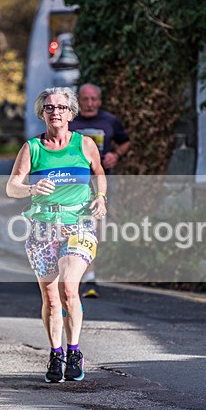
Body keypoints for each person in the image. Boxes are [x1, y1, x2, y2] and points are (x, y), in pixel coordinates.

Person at [6, 86, 107, 383]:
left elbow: (99, 171)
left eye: (61, 107)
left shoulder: (84, 144)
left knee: (69, 287)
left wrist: (101, 197)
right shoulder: (32, 148)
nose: (55, 112)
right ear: (42, 113)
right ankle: (55, 353)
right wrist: (32, 189)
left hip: (79, 223)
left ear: (71, 113)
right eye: (49, 107)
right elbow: (11, 187)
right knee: (50, 298)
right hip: (42, 226)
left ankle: (74, 350)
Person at [68, 83, 131, 298]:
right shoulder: (70, 121)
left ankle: (89, 276)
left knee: (93, 228)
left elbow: (124, 142)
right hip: (71, 184)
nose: (90, 104)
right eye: (85, 99)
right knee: (69, 227)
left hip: (99, 183)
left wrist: (116, 155)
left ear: (100, 101)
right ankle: (77, 274)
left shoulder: (109, 121)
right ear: (79, 101)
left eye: (94, 99)